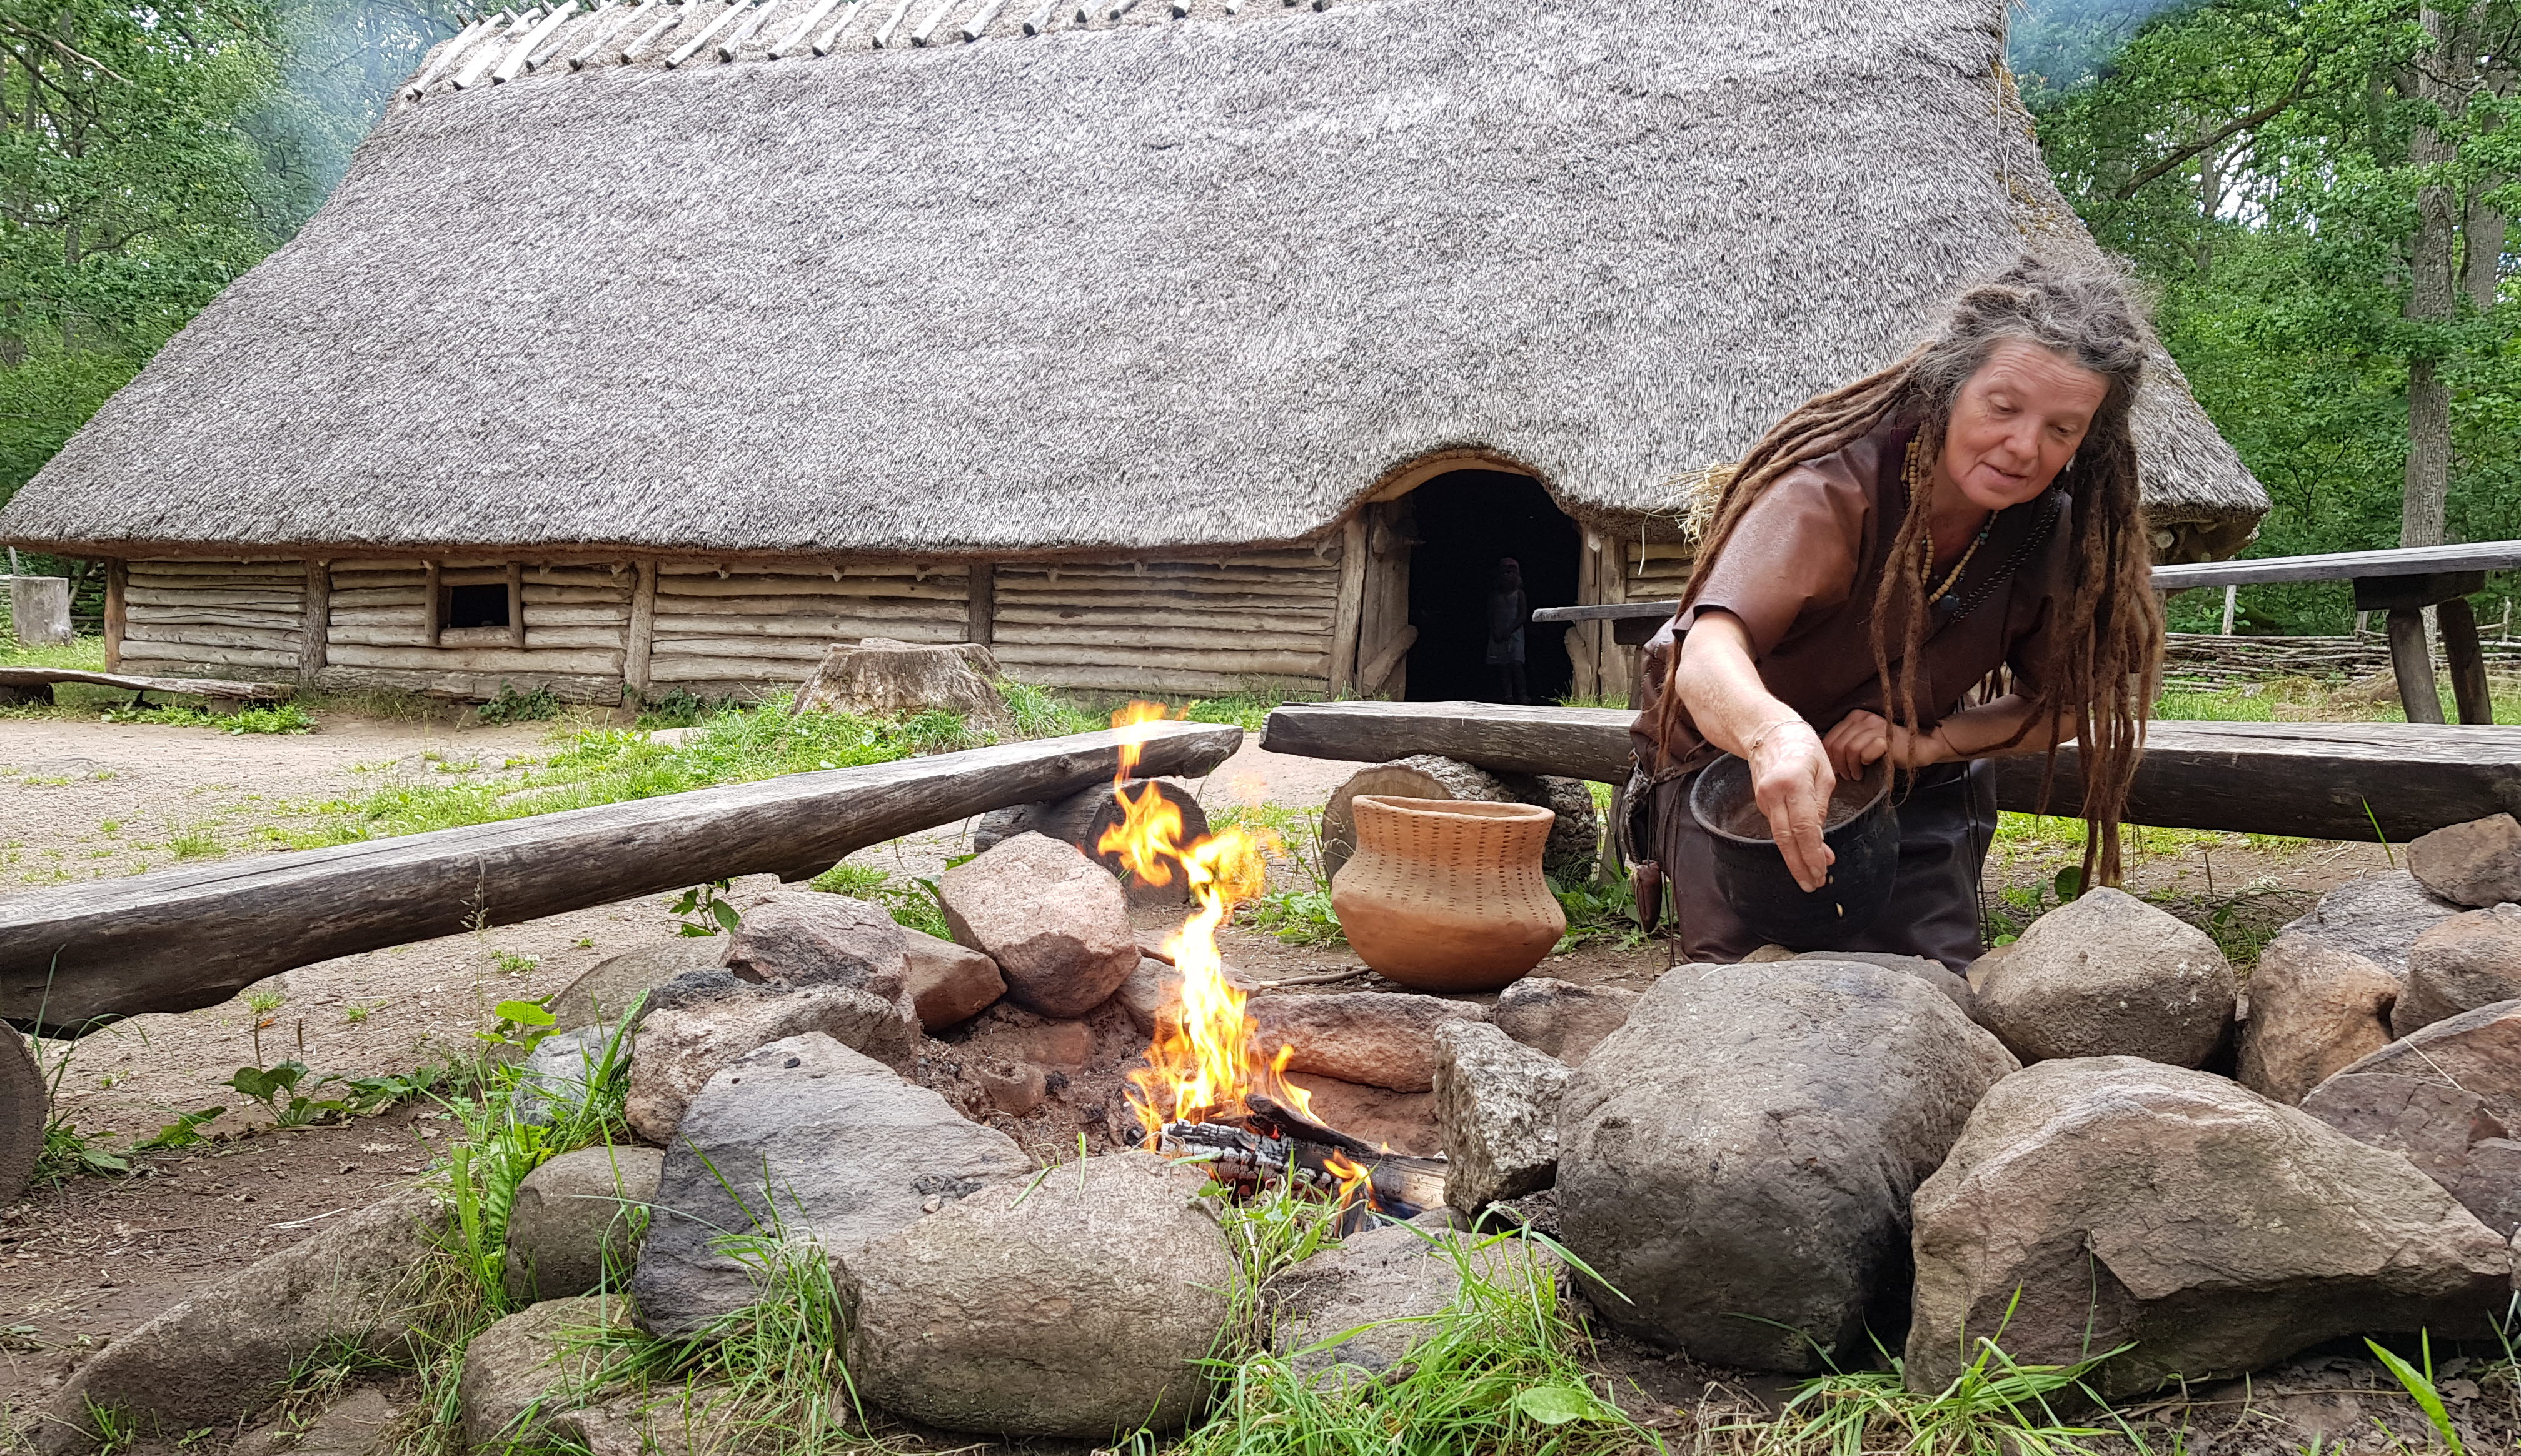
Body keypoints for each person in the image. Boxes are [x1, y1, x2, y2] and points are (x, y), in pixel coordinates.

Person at [1628, 256, 2164, 972]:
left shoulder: (2061, 535)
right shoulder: (1829, 488)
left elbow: (2077, 700)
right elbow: (1709, 649)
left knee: (1935, 991)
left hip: (1903, 779)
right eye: (2002, 408)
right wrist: (1773, 736)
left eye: (2062, 429)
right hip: (1726, 767)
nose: (2025, 447)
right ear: (1948, 387)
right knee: (1749, 989)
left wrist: (1932, 743)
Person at [1484, 558, 1529, 704]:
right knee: (1502, 666)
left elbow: (1523, 615)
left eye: (1510, 572)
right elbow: (1490, 615)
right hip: (1498, 634)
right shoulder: (1494, 596)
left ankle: (1522, 695)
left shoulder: (1519, 594)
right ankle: (1508, 695)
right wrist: (1495, 632)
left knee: (1517, 664)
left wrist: (1510, 630)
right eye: (1504, 572)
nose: (1507, 575)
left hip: (1515, 633)